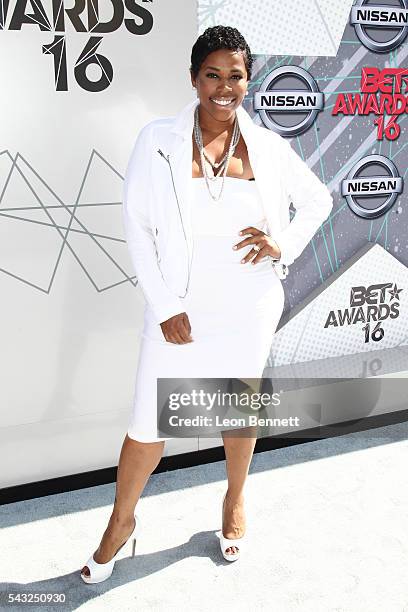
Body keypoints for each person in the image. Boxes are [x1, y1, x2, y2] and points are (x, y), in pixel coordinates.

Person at [80, 25, 333, 582]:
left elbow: (319, 200)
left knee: (237, 407)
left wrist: (282, 244)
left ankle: (234, 500)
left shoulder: (267, 145)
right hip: (179, 306)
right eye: (212, 75)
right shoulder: (158, 139)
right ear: (194, 78)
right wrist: (166, 304)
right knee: (149, 420)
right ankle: (122, 522)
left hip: (249, 302)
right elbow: (138, 227)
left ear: (249, 80)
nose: (225, 87)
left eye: (235, 76)